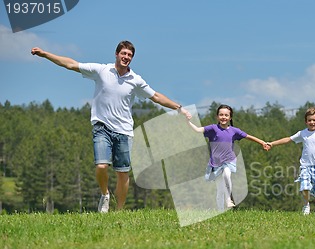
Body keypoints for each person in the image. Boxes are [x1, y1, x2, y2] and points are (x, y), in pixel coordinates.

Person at [31, 41, 191, 213]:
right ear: (116, 54)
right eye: (123, 53)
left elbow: (157, 97)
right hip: (102, 127)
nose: (126, 57)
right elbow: (71, 64)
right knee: (101, 166)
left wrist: (178, 107)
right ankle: (105, 194)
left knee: (122, 174)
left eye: (129, 55)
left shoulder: (135, 80)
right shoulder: (102, 70)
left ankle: (119, 211)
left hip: (124, 132)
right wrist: (45, 54)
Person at [187, 104, 269, 211]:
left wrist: (262, 142)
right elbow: (198, 130)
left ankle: (229, 198)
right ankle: (221, 211)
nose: (223, 117)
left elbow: (248, 136)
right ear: (217, 117)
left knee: (227, 173)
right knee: (220, 190)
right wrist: (187, 122)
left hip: (229, 160)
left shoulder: (234, 131)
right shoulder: (213, 128)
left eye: (226, 115)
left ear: (230, 118)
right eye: (221, 115)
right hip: (215, 164)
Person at [267, 107, 315, 215]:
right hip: (305, 166)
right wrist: (272, 143)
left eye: (314, 120)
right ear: (306, 122)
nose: (312, 122)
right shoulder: (302, 133)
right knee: (304, 186)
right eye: (309, 120)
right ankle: (306, 205)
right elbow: (288, 139)